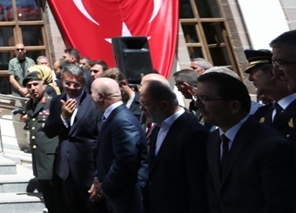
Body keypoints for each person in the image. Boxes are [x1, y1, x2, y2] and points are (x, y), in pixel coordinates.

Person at [196, 71, 296, 212]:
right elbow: (214, 192)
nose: (197, 104)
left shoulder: (271, 145)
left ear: (234, 106)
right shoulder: (213, 140)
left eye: (204, 98)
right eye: (197, 97)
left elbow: (277, 204)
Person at [42, 64, 105, 213]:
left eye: (76, 84)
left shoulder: (93, 104)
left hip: (88, 172)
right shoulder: (58, 101)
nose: (71, 87)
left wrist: (99, 176)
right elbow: (49, 131)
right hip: (65, 171)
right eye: (67, 83)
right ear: (62, 80)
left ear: (83, 84)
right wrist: (63, 118)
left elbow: (101, 142)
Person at [140, 80, 208, 213]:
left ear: (164, 105)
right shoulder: (157, 128)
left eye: (145, 104)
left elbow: (198, 187)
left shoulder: (193, 133)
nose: (141, 108)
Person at [88, 77, 145, 213]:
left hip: (127, 197)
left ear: (101, 96)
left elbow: (125, 161)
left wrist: (105, 187)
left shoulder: (122, 120)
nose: (90, 96)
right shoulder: (112, 116)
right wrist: (98, 177)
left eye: (92, 92)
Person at [22, 70, 67, 213]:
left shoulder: (51, 102)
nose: (33, 88)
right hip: (39, 158)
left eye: (36, 84)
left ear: (43, 85)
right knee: (48, 196)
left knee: (58, 195)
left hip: (52, 156)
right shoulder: (30, 104)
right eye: (29, 86)